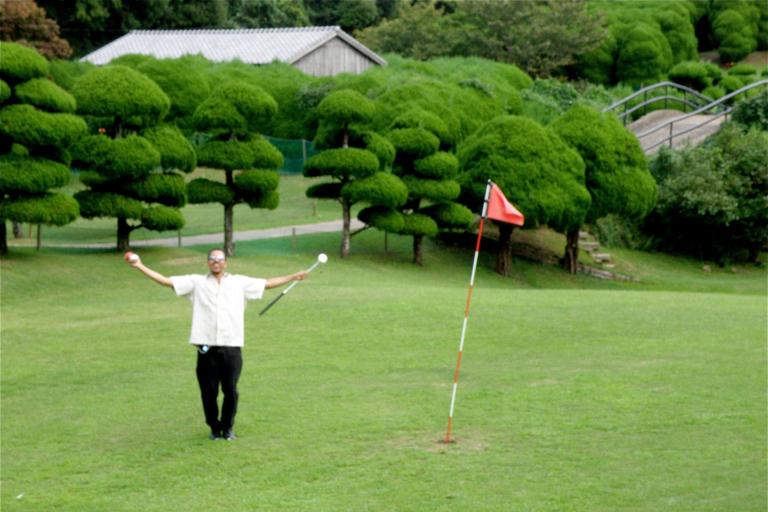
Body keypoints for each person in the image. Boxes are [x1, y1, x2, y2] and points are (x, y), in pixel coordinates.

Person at [128, 248, 308, 440]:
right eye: (212, 259)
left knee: (230, 391)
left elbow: (268, 283)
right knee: (208, 392)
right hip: (205, 347)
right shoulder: (196, 282)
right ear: (207, 263)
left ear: (225, 263)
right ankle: (214, 428)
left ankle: (227, 428)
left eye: (220, 259)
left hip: (231, 345)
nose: (216, 262)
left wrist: (293, 277)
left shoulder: (240, 282)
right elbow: (165, 281)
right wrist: (139, 265)